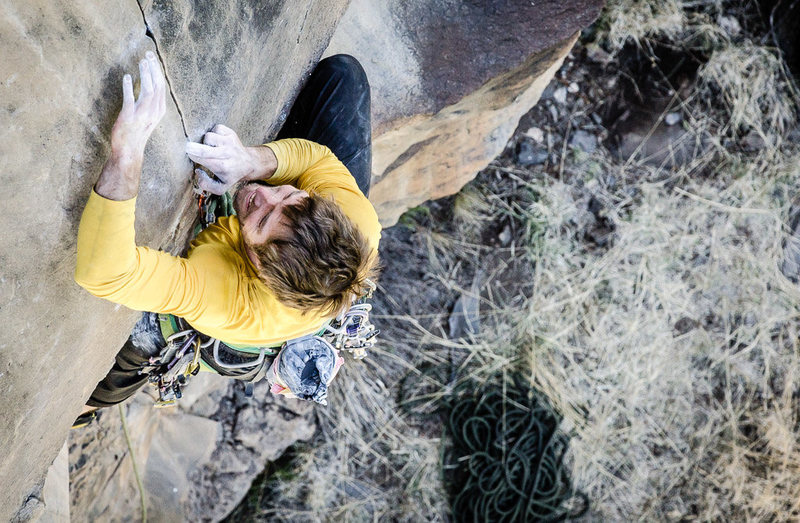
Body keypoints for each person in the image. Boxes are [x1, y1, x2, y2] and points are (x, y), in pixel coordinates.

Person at [73, 51, 380, 424]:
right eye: (287, 194)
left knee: (151, 335)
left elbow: (106, 273)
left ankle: (88, 408)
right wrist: (252, 162)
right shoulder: (357, 220)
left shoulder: (231, 299)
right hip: (318, 268)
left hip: (244, 323)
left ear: (257, 266)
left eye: (262, 216)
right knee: (344, 76)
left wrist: (127, 153)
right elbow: (319, 162)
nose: (263, 194)